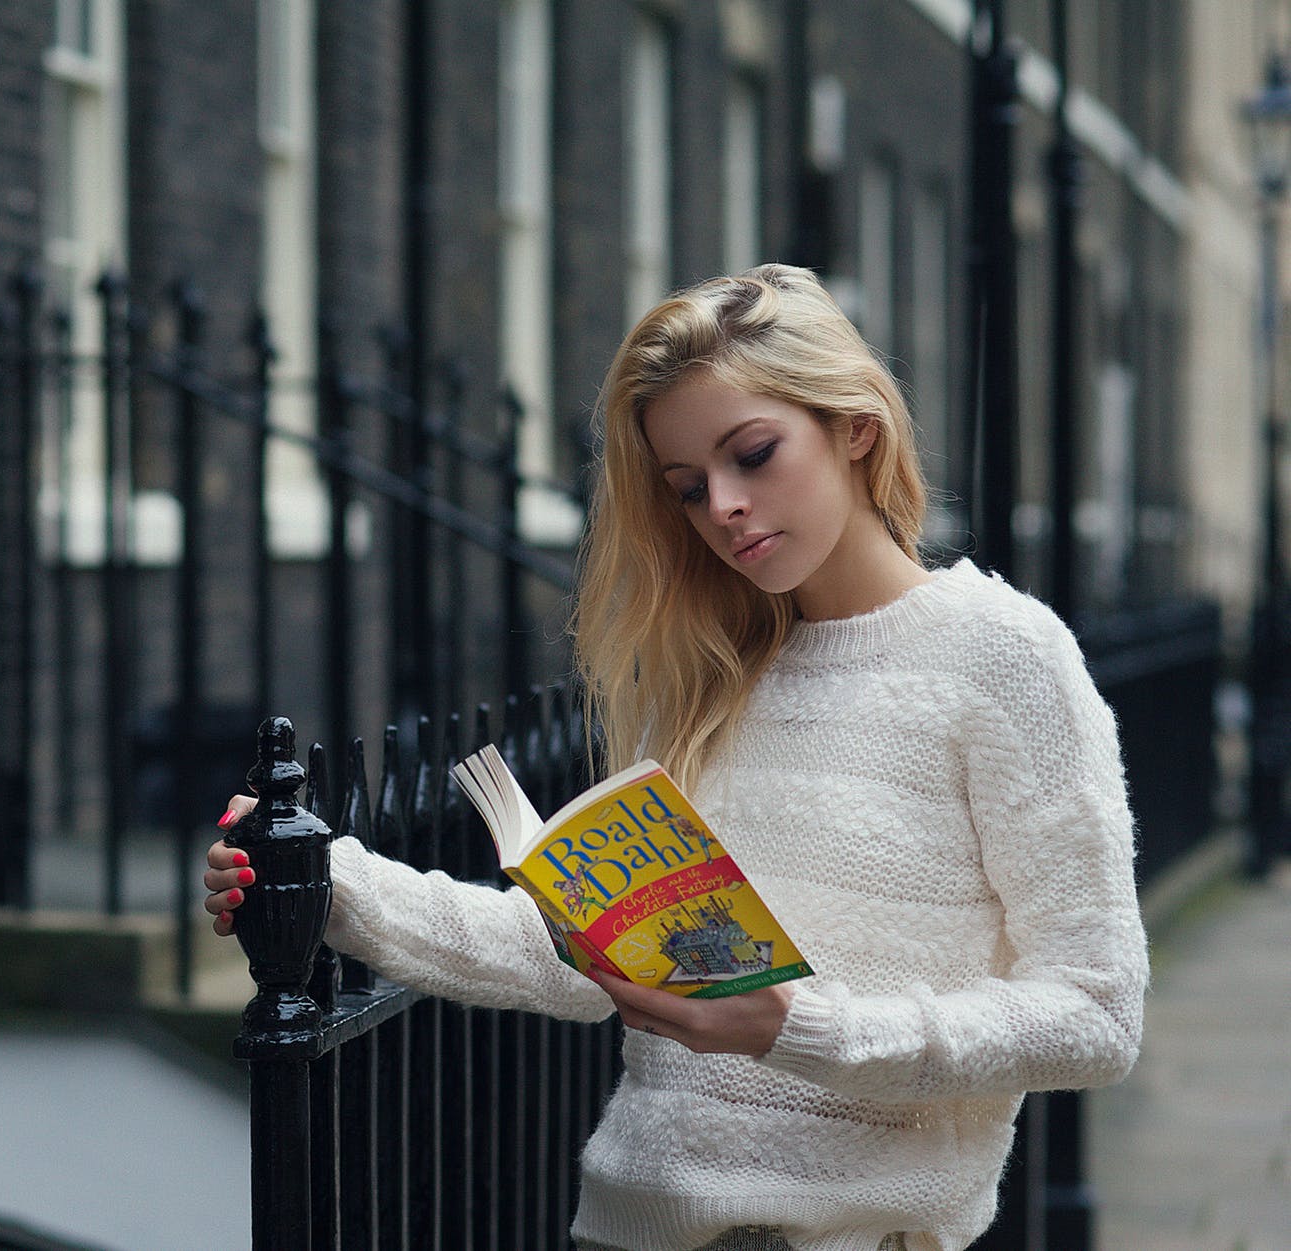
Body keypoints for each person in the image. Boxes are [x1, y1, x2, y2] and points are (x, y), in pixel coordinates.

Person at [203, 265, 1147, 1251]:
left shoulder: (999, 655)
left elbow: (1093, 1013)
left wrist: (796, 1028)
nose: (723, 507)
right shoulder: (711, 676)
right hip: (628, 1225)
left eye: (752, 454)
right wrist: (329, 884)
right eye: (688, 489)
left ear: (854, 427)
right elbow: (580, 961)